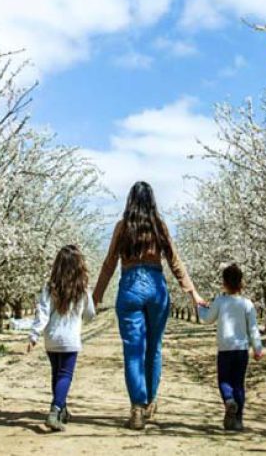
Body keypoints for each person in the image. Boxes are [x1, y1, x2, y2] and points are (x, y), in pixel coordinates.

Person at [94, 181, 207, 430]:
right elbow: (175, 261)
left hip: (130, 287)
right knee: (154, 348)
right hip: (157, 288)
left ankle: (136, 407)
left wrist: (96, 296)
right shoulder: (159, 227)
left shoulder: (122, 228)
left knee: (133, 350)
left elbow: (109, 263)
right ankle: (150, 402)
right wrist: (193, 292)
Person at [26, 244, 97, 432]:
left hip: (51, 340)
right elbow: (90, 314)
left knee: (56, 374)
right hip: (70, 340)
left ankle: (62, 410)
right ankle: (54, 410)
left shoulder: (50, 287)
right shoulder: (83, 289)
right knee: (65, 375)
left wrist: (34, 335)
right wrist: (84, 319)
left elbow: (42, 313)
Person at [198, 263, 263, 431]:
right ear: (241, 283)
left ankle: (228, 400)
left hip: (225, 350)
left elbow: (207, 319)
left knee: (224, 381)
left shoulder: (220, 301)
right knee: (239, 384)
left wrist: (200, 307)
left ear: (224, 283)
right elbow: (253, 328)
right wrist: (257, 348)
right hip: (241, 350)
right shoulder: (247, 304)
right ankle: (238, 420)